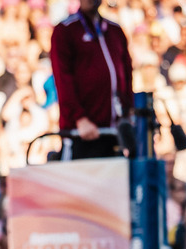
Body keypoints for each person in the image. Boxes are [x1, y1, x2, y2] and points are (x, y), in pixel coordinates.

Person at [50, 0, 133, 160]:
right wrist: (79, 118)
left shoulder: (115, 31)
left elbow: (127, 76)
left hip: (114, 132)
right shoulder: (66, 30)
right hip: (82, 133)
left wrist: (127, 114)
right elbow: (63, 80)